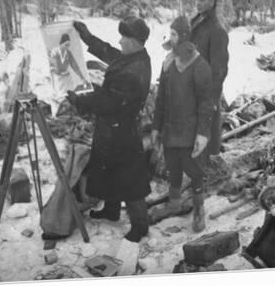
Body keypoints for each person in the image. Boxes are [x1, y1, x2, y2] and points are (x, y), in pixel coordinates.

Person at [68, 17, 152, 242]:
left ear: (135, 41)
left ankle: (140, 225)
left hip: (122, 131)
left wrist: (79, 100)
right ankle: (112, 211)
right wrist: (87, 37)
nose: (120, 41)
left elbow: (107, 101)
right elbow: (109, 53)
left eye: (124, 37)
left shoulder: (134, 71)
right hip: (113, 127)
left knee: (130, 180)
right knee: (110, 170)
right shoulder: (134, 57)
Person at [151, 16, 213, 232]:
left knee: (194, 171)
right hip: (170, 128)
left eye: (175, 34)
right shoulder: (168, 63)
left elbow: (207, 104)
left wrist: (202, 134)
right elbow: (160, 99)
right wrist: (156, 127)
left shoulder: (200, 66)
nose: (171, 38)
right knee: (173, 167)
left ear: (185, 37)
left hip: (190, 131)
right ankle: (175, 202)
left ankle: (199, 209)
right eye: (171, 33)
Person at [189, 0, 229, 158]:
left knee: (204, 147)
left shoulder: (217, 30)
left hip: (205, 97)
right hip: (191, 92)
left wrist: (209, 102)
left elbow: (219, 72)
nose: (198, 3)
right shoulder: (197, 22)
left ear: (212, 2)